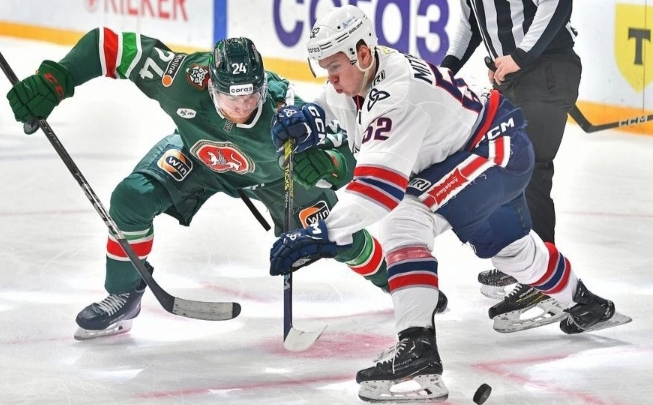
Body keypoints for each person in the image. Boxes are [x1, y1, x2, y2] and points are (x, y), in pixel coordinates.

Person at [269, 5, 629, 403]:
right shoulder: (366, 74)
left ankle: (418, 350)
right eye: (325, 70)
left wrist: (321, 234)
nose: (331, 80)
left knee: (406, 216)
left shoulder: (395, 96)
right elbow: (333, 104)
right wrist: (309, 116)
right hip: (489, 148)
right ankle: (585, 304)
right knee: (512, 251)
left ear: (363, 53)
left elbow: (376, 191)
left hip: (493, 152)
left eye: (334, 68)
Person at [6, 31, 397, 340]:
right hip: (199, 155)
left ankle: (395, 281)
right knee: (130, 198)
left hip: (275, 177)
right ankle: (124, 294)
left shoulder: (286, 112)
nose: (242, 107)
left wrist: (330, 165)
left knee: (337, 233)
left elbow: (349, 151)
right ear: (211, 86)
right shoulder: (180, 78)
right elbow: (108, 45)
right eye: (231, 97)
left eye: (251, 96)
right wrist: (56, 80)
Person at [441, 0, 582, 318]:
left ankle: (542, 281)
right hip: (518, 79)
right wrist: (444, 73)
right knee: (503, 168)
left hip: (547, 70)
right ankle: (525, 261)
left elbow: (557, 3)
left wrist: (520, 56)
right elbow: (470, 23)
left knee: (531, 172)